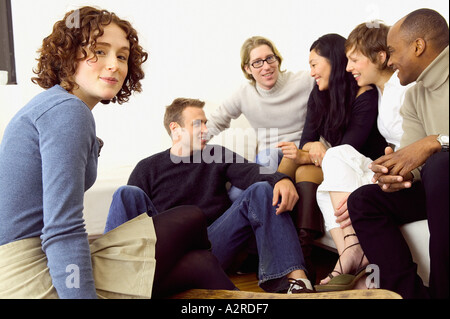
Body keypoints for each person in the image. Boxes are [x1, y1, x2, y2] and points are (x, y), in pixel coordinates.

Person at [0, 6, 235, 299]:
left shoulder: (54, 106)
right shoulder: (67, 111)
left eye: (122, 56)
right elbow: (62, 228)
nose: (114, 65)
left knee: (199, 263)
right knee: (190, 218)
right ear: (68, 54)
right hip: (29, 276)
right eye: (98, 51)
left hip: (24, 265)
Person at [107, 97, 315, 293]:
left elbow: (251, 171)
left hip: (212, 245)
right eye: (198, 124)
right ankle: (109, 279)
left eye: (206, 123)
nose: (206, 130)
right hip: (164, 252)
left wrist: (281, 178)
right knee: (127, 193)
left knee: (261, 189)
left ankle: (295, 281)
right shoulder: (147, 168)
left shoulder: (216, 154)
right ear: (175, 128)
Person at [347, 8, 449, 299]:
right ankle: (408, 295)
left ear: (418, 46)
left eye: (392, 51)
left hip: (444, 178)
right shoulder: (415, 96)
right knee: (364, 200)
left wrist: (435, 142)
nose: (389, 61)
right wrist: (396, 173)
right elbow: (415, 161)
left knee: (441, 164)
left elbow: (429, 149)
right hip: (438, 187)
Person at [277, 33, 387, 283]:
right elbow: (307, 139)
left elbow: (349, 150)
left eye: (315, 64)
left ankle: (302, 264)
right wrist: (313, 146)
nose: (312, 72)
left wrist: (316, 150)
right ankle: (296, 258)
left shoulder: (364, 94)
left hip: (360, 166)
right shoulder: (319, 94)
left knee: (302, 168)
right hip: (336, 162)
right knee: (287, 161)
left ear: (334, 61)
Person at [314, 22, 415, 291]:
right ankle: (351, 251)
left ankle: (352, 257)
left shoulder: (403, 89)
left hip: (406, 173)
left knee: (336, 163)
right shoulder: (379, 92)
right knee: (331, 171)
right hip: (391, 166)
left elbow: (413, 149)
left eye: (354, 60)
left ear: (380, 57)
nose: (348, 68)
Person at [206, 36, 314, 174]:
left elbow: (334, 81)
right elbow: (216, 121)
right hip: (267, 159)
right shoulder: (243, 94)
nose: (266, 66)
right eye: (257, 62)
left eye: (270, 58)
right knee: (236, 190)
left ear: (277, 59)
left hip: (300, 153)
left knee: (264, 164)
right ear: (248, 69)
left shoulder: (304, 81)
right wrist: (187, 146)